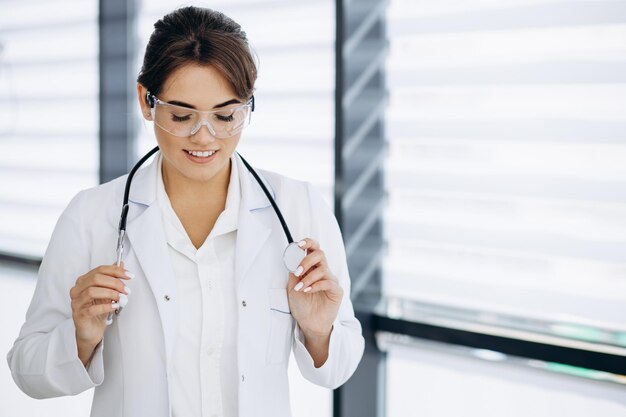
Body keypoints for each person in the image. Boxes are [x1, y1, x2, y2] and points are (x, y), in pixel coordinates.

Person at [6, 6, 364, 417]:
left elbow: (337, 367)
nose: (204, 136)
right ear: (146, 100)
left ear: (247, 105)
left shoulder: (298, 209)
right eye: (181, 115)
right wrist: (81, 338)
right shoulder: (92, 215)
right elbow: (25, 369)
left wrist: (318, 331)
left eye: (226, 115)